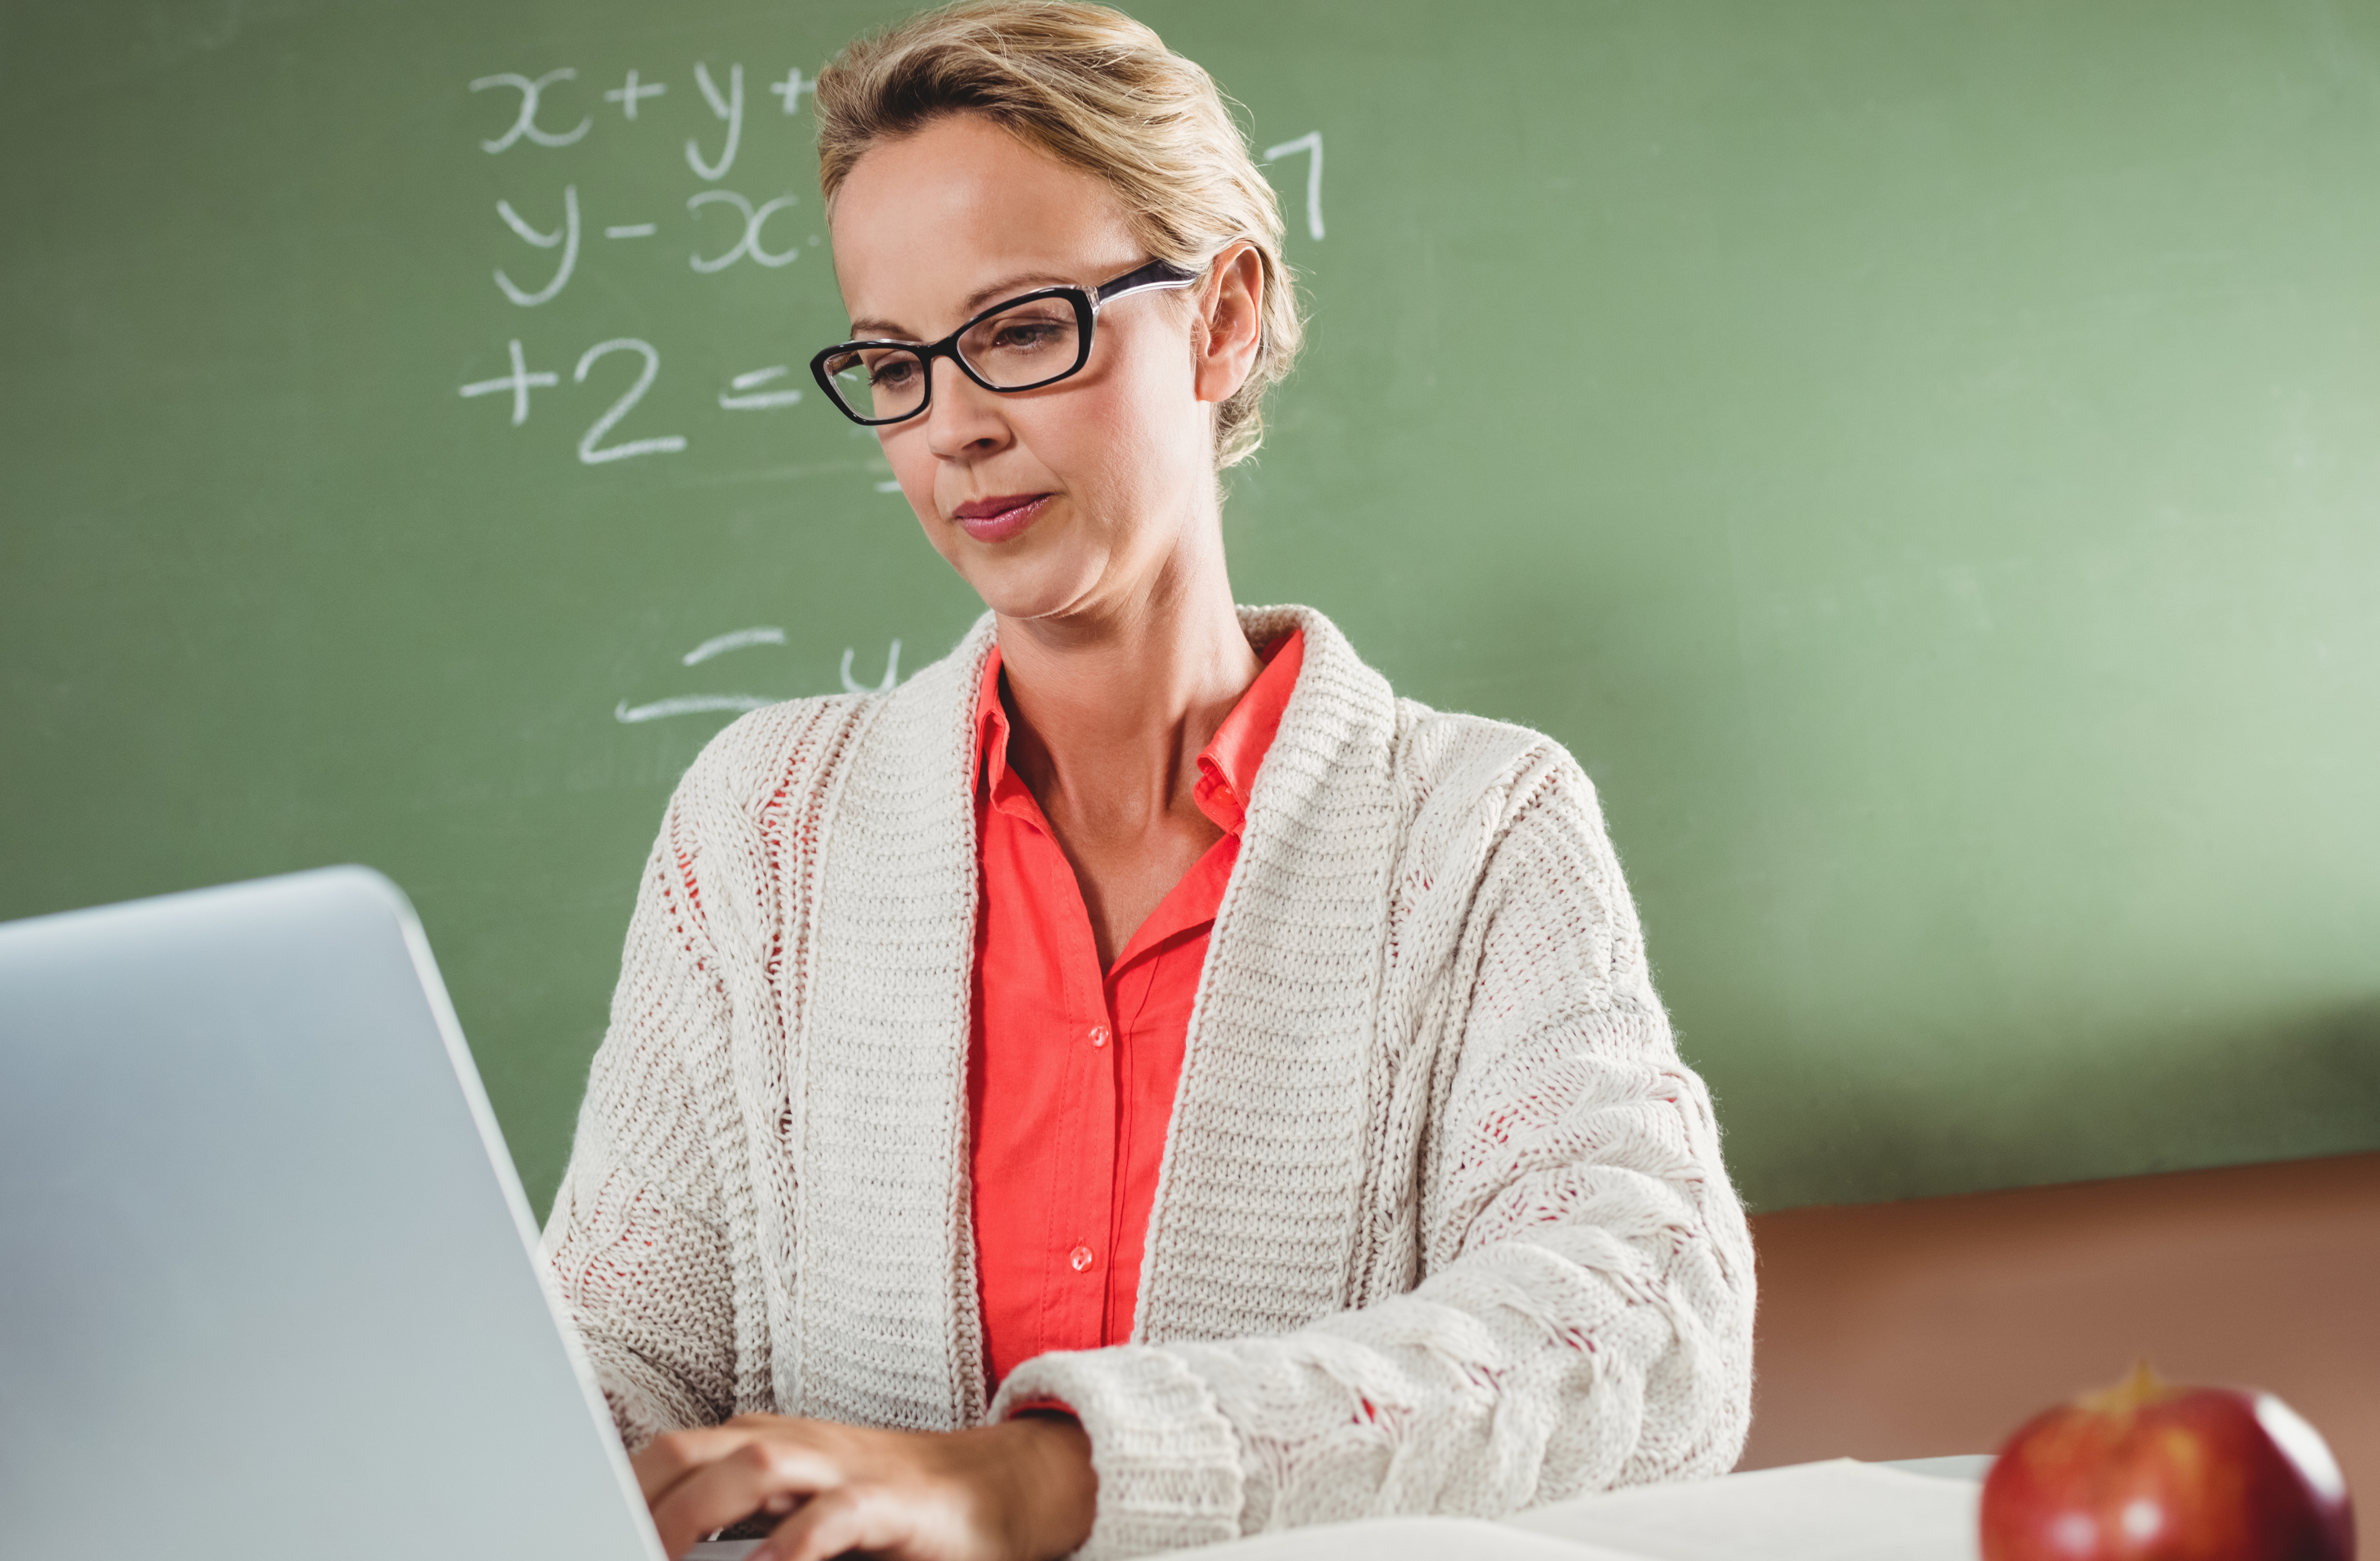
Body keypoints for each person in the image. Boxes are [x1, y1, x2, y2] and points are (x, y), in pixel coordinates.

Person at [537, 4, 1754, 1557]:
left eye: (1026, 329)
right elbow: (618, 1351)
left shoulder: (1481, 829)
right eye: (896, 364)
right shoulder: (762, 826)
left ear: (1225, 316)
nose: (957, 429)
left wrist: (1050, 1476)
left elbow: (1645, 1333)